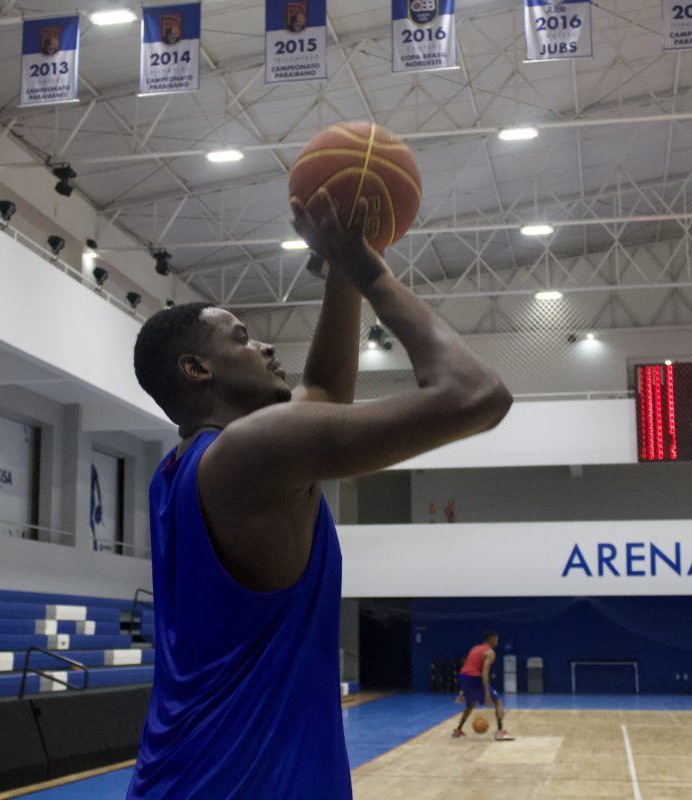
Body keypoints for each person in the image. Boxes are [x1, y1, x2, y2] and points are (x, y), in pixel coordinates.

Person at [126, 190, 512, 798]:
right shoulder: (248, 454)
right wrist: (370, 272)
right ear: (197, 370)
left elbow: (326, 390)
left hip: (186, 779)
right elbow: (477, 395)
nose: (266, 346)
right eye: (244, 339)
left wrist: (341, 261)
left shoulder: (183, 469)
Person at [452, 631, 514, 741]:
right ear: (491, 639)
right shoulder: (490, 652)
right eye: (496, 639)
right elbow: (484, 672)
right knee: (498, 702)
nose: (497, 642)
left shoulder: (474, 648)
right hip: (474, 678)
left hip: (463, 676)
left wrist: (462, 691)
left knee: (471, 704)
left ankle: (458, 730)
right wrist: (487, 694)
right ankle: (500, 732)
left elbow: (467, 667)